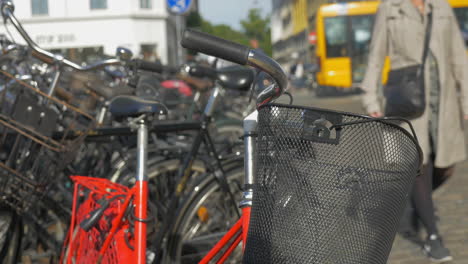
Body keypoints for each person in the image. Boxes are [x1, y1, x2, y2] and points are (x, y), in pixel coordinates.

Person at [361, 0, 468, 262]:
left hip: (442, 102)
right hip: (408, 99)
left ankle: (418, 205)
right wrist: (371, 99)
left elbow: (459, 56)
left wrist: (466, 98)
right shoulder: (390, 8)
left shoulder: (441, 7)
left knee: (446, 167)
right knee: (420, 166)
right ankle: (433, 237)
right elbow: (376, 54)